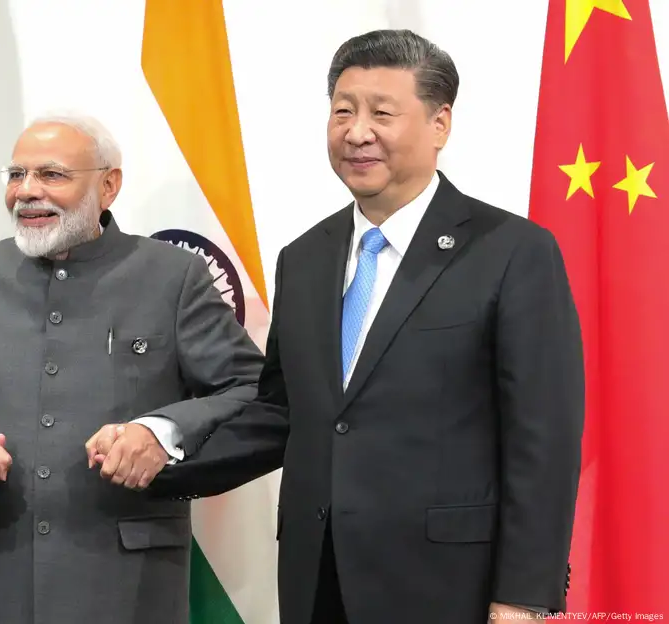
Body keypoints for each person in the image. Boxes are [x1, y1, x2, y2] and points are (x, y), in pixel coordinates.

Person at [114, 30, 584, 623]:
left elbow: (542, 438)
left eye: (381, 113)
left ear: (440, 124)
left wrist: (523, 595)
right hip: (317, 580)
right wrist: (164, 448)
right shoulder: (305, 257)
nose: (357, 132)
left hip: (449, 586)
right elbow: (285, 412)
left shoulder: (512, 251)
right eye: (343, 111)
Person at [0, 113, 264, 624]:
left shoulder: (172, 276)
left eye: (51, 175)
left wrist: (163, 432)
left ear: (108, 185)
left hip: (127, 586)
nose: (26, 192)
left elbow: (252, 390)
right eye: (17, 175)